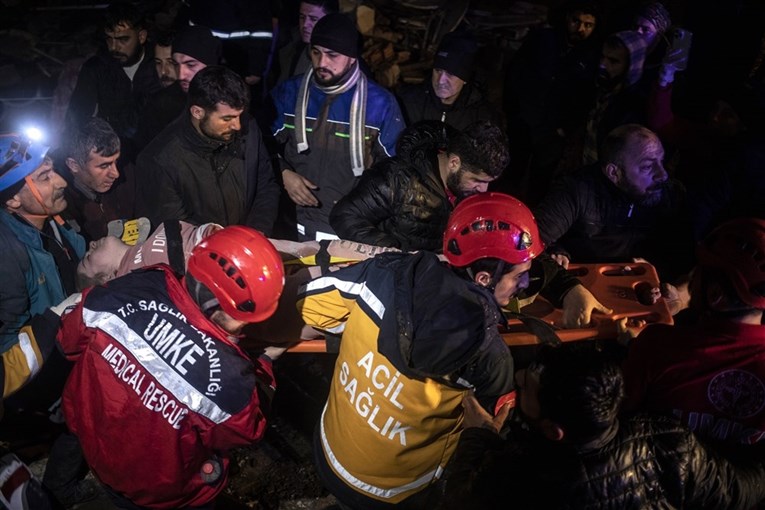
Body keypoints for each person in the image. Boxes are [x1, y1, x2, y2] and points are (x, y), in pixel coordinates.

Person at [299, 193, 608, 508]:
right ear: (484, 279)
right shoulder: (491, 358)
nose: (526, 282)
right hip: (400, 494)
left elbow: (309, 309)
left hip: (330, 456)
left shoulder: (382, 274)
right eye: (519, 276)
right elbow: (486, 444)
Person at [57, 226, 285, 508]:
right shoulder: (229, 379)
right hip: (157, 489)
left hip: (94, 443)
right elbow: (248, 432)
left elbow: (68, 341)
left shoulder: (134, 284)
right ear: (242, 316)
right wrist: (265, 362)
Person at [444, 342, 765, 509]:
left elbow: (457, 502)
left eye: (526, 388)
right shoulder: (669, 442)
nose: (517, 380)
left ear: (555, 431)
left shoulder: (519, 475)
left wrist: (478, 437)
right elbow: (739, 490)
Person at [623, 218, 765, 445]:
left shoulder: (657, 345)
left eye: (695, 273)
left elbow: (619, 421)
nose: (691, 279)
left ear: (715, 294)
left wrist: (632, 347)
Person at [270, 12, 405, 241]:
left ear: (353, 58)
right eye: (316, 52)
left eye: (332, 55)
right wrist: (283, 172)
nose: (322, 63)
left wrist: (359, 210)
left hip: (346, 233)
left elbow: (395, 169)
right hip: (291, 225)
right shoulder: (288, 93)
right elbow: (259, 145)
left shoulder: (380, 104)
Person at [534, 123, 694, 282]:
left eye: (661, 161)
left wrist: (655, 271)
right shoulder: (577, 191)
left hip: (639, 292)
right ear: (614, 172)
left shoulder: (670, 196)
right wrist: (556, 252)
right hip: (582, 286)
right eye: (647, 167)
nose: (663, 174)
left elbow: (684, 260)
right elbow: (528, 242)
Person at [136, 66, 279, 234]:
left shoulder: (249, 129)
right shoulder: (159, 160)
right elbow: (175, 228)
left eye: (240, 115)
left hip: (248, 246)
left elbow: (266, 187)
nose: (237, 125)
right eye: (227, 118)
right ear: (197, 112)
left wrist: (254, 235)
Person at [330, 120, 509, 251]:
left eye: (488, 183)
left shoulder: (467, 192)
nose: (483, 190)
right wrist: (391, 251)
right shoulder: (396, 177)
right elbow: (344, 215)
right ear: (454, 163)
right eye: (478, 180)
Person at [502, 0, 601, 204]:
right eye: (576, 21)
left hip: (553, 133)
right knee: (511, 171)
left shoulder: (592, 56)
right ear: (567, 18)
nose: (580, 28)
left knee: (540, 182)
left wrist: (566, 128)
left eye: (588, 25)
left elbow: (587, 97)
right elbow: (515, 72)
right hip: (523, 121)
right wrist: (513, 111)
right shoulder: (543, 40)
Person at [0, 132, 85, 352]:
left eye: (53, 170)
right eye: (45, 177)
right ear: (12, 200)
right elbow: (8, 348)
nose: (62, 182)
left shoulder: (53, 219)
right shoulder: (7, 256)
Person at [65, 2, 160, 150]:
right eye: (109, 39)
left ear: (141, 36)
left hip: (157, 152)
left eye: (123, 39)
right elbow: (77, 118)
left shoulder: (159, 65)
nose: (114, 47)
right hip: (113, 154)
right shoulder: (96, 68)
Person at [134, 26, 222, 151]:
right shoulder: (158, 105)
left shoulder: (233, 98)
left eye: (190, 65)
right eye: (176, 64)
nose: (181, 75)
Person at [397, 32, 498, 131]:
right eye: (438, 71)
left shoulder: (481, 117)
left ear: (465, 79)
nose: (441, 81)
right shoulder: (408, 102)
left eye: (451, 73)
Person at [59, 117, 136, 243]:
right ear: (74, 165)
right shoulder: (60, 204)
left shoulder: (129, 173)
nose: (116, 174)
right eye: (104, 166)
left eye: (116, 161)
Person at [581, 30, 648, 165]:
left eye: (613, 61)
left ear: (631, 65)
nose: (602, 65)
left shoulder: (632, 106)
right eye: (602, 57)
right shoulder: (601, 88)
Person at [276, 0, 339, 84]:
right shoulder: (292, 49)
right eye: (302, 17)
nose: (305, 24)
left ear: (331, 20)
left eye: (313, 19)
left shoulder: (342, 60)